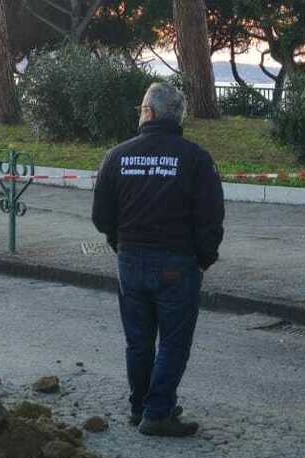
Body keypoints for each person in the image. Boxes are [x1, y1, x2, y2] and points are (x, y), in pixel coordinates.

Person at [91, 83, 224, 438]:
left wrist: (119, 242)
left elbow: (102, 215)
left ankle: (141, 407)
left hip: (131, 259)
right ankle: (158, 411)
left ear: (148, 113)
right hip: (177, 262)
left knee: (138, 340)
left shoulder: (117, 156)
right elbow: (210, 218)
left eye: (141, 108)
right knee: (173, 342)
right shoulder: (196, 158)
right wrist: (203, 259)